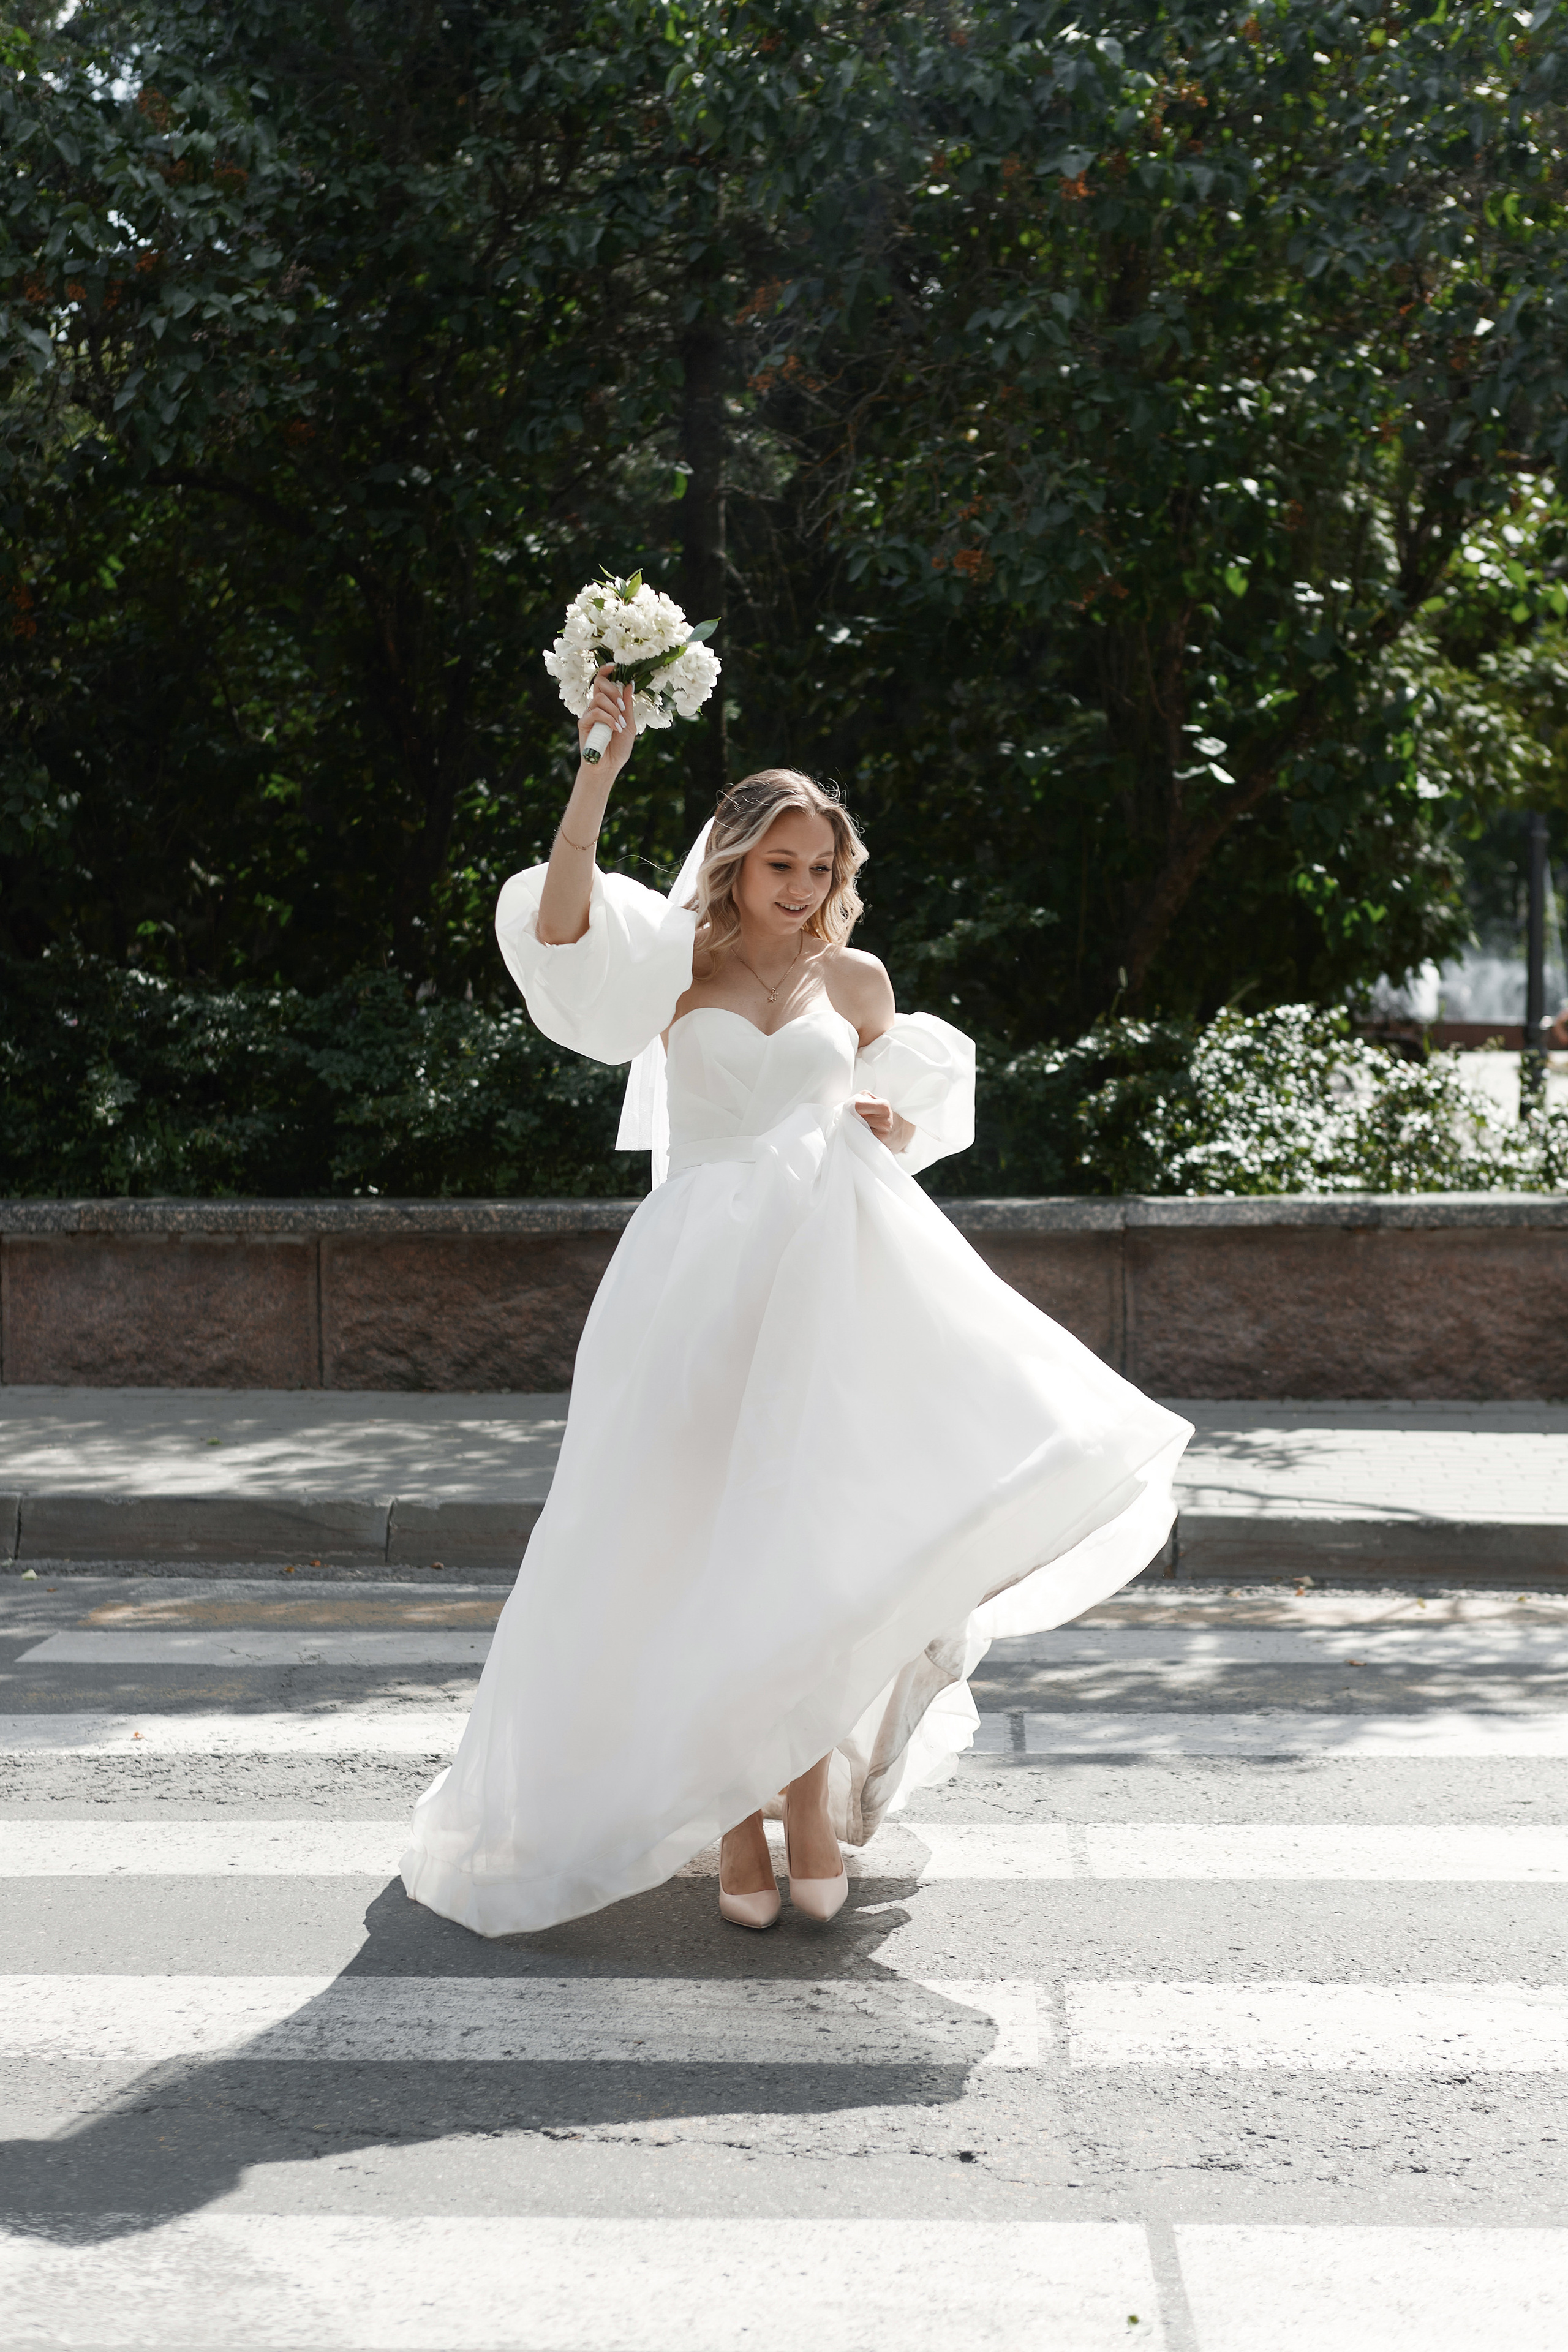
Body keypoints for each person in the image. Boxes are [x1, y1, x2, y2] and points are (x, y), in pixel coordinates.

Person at [401, 665, 1192, 1936]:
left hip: (825, 1282)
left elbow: (907, 1115)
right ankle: (728, 1819)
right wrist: (598, 767)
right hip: (693, 1284)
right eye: (781, 865)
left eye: (822, 868)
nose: (804, 888)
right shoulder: (671, 966)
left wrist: (886, 1121)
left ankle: (808, 1798)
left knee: (810, 1543)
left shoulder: (859, 983)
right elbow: (559, 930)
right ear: (731, 863)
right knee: (692, 1536)